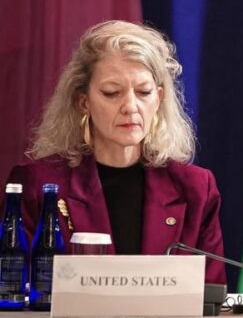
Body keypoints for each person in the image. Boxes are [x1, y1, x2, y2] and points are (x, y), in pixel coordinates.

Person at [6, 20, 226, 284]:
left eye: (143, 92)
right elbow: (13, 288)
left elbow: (211, 294)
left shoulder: (196, 189)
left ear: (158, 98)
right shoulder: (38, 185)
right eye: (112, 93)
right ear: (83, 102)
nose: (131, 107)